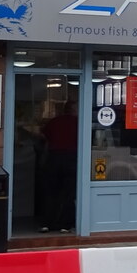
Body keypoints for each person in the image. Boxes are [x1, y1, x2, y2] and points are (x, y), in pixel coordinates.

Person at [40, 99, 77, 232]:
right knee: (69, 193)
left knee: (51, 192)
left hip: (54, 158)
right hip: (72, 158)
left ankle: (47, 223)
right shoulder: (79, 122)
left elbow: (43, 136)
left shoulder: (54, 121)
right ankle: (65, 225)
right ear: (74, 110)